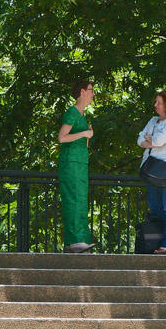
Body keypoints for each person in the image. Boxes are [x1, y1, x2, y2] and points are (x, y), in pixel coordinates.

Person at [137, 90, 166, 254]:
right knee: (155, 208)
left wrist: (151, 140)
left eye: (159, 102)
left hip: (165, 169)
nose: (155, 105)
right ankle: (154, 243)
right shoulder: (153, 120)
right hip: (151, 169)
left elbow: (157, 140)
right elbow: (140, 138)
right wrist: (150, 141)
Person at [58, 78, 95, 253]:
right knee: (73, 199)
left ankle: (81, 240)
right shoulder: (72, 112)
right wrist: (84, 133)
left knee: (80, 200)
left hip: (80, 162)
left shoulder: (82, 115)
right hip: (71, 162)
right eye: (91, 90)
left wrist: (86, 136)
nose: (93, 94)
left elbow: (81, 139)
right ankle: (74, 241)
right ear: (82, 91)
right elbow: (62, 137)